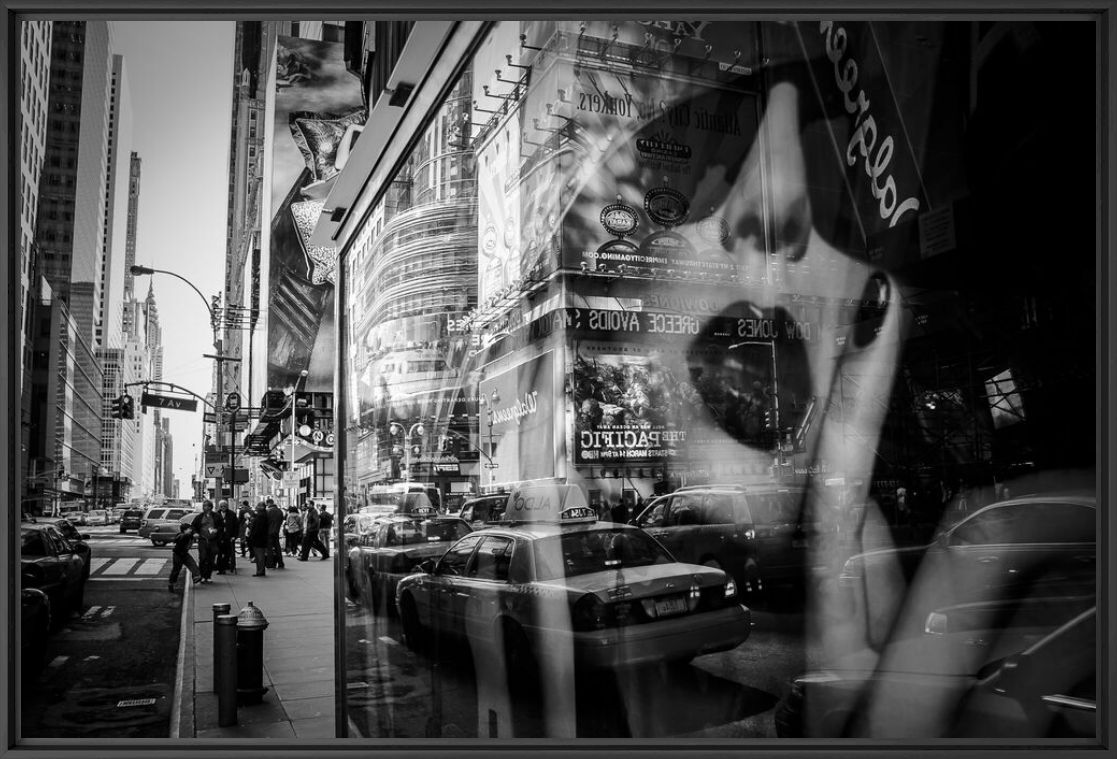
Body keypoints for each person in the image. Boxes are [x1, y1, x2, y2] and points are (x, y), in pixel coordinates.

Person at [191, 500, 220, 583]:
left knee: (211, 558)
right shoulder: (199, 517)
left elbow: (221, 526)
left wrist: (216, 530)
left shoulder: (216, 516)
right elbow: (193, 526)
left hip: (213, 540)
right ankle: (203, 576)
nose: (205, 508)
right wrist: (195, 533)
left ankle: (208, 576)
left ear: (211, 507)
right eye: (204, 506)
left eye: (207, 506)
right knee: (203, 558)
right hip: (203, 540)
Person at [168, 523, 200, 593]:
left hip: (185, 554)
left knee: (193, 565)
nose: (191, 530)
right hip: (178, 555)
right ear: (184, 530)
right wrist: (192, 535)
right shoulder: (182, 536)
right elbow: (182, 537)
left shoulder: (187, 536)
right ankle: (171, 583)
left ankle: (196, 576)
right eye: (189, 529)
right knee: (176, 569)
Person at [247, 502, 270, 576]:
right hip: (261, 538)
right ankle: (260, 570)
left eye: (258, 506)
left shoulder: (261, 516)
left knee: (259, 555)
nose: (256, 507)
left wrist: (252, 535)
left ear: (261, 507)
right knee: (259, 555)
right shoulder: (262, 515)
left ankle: (260, 571)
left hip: (259, 538)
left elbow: (258, 528)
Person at [215, 499, 236, 574]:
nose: (223, 507)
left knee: (228, 554)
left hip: (229, 537)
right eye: (221, 506)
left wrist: (234, 536)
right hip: (219, 537)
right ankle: (220, 569)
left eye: (224, 506)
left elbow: (236, 526)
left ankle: (224, 566)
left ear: (227, 506)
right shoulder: (216, 514)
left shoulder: (232, 514)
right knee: (219, 554)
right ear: (219, 507)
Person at [266, 498, 285, 569]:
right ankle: (280, 563)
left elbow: (266, 522)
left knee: (269, 549)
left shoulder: (268, 511)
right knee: (277, 548)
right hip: (276, 531)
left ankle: (270, 564)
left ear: (269, 503)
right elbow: (281, 521)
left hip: (269, 532)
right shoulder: (280, 511)